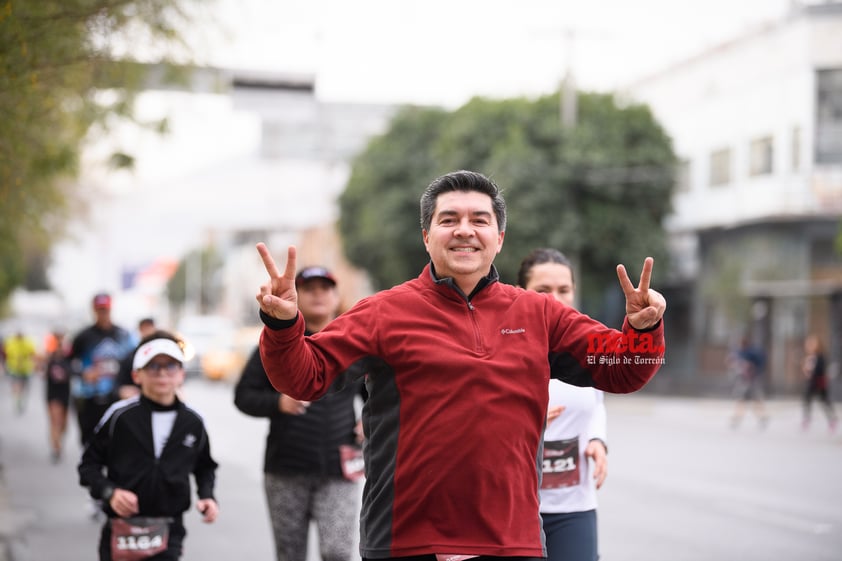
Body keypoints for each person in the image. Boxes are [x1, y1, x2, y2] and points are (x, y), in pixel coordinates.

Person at [255, 170, 666, 561]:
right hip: (405, 541)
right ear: (426, 236)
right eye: (448, 219)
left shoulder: (539, 314)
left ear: (499, 237)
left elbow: (622, 368)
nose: (465, 230)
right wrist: (283, 324)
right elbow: (305, 377)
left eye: (479, 220)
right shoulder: (384, 312)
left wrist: (643, 329)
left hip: (512, 541)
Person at [235, 266, 366, 561]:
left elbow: (378, 394)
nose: (318, 294)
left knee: (337, 552)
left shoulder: (351, 342)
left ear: (336, 296)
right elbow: (243, 396)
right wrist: (277, 403)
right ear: (297, 296)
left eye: (325, 288)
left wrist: (369, 421)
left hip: (339, 469)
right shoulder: (276, 343)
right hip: (286, 469)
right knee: (290, 554)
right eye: (309, 288)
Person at [78, 330, 219, 561]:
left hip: (168, 528)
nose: (162, 373)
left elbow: (205, 466)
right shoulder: (119, 416)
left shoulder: (193, 421)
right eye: (153, 366)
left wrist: (207, 495)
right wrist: (109, 492)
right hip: (121, 527)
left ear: (181, 374)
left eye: (170, 366)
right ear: (137, 375)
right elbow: (88, 466)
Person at [517, 248, 608, 561]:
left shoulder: (585, 347)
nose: (554, 299)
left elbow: (597, 402)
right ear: (521, 294)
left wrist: (598, 440)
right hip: (516, 512)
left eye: (563, 290)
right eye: (542, 291)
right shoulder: (505, 350)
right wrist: (526, 419)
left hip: (575, 507)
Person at [69, 293, 136, 447]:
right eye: (100, 310)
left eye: (105, 309)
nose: (103, 314)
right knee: (90, 443)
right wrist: (83, 374)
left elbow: (135, 363)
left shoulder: (124, 335)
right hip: (90, 398)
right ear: (94, 310)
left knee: (118, 443)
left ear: (111, 309)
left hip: (117, 397)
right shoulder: (83, 337)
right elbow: (67, 363)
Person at [727, 335, 769, 429]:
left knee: (754, 399)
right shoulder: (740, 352)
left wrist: (753, 370)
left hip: (752, 379)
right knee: (741, 398)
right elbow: (733, 362)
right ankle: (738, 417)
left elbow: (759, 365)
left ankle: (762, 417)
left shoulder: (752, 353)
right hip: (743, 379)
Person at [44, 328, 73, 463]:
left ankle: (58, 441)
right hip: (53, 394)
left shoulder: (69, 358)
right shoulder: (50, 358)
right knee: (55, 421)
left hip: (65, 393)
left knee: (64, 424)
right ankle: (56, 448)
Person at [801, 333, 838, 432]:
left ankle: (832, 419)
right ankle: (806, 419)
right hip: (811, 383)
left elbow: (819, 370)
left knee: (824, 402)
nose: (809, 346)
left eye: (812, 344)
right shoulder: (809, 357)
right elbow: (806, 371)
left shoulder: (820, 356)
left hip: (819, 382)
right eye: (808, 344)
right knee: (807, 400)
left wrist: (811, 369)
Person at [116, 317, 157, 399]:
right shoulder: (130, 358)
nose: (148, 331)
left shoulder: (162, 357)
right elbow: (120, 386)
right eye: (145, 328)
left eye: (150, 327)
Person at [3, 330, 38, 414]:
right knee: (16, 384)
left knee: (24, 386)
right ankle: (17, 399)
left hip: (25, 368)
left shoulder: (27, 343)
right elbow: (6, 354)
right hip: (14, 368)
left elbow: (32, 354)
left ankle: (20, 398)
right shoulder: (10, 342)